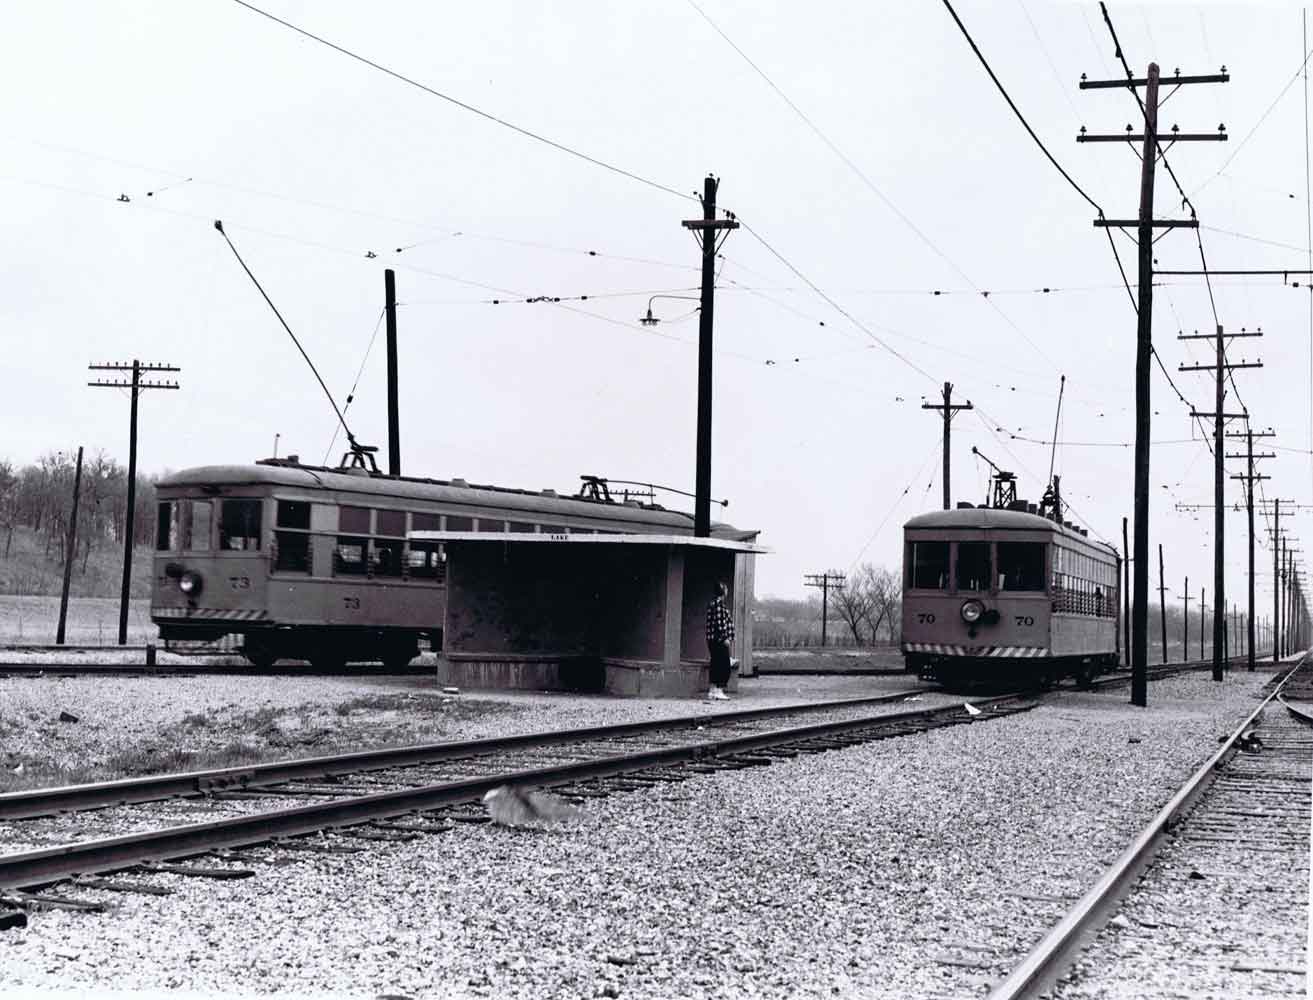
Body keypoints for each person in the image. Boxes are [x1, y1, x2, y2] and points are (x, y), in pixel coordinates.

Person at [705, 580, 735, 701]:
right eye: (726, 589)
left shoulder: (713, 604)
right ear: (723, 591)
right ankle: (718, 690)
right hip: (719, 640)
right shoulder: (718, 605)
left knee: (715, 663)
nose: (727, 591)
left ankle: (712, 691)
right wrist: (725, 638)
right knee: (723, 665)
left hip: (713, 639)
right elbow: (720, 624)